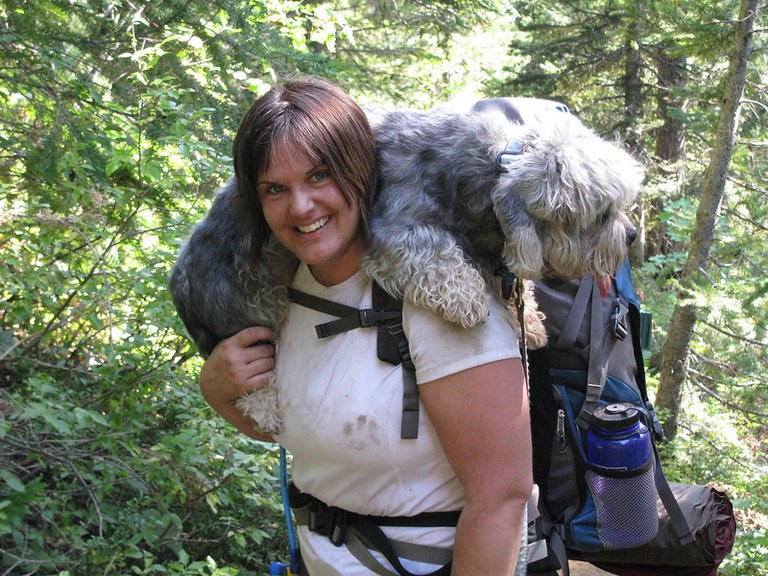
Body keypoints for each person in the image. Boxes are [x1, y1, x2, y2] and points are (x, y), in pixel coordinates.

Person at [198, 76, 533, 576]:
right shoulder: (278, 293)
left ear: (361, 169)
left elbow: (502, 498)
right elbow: (326, 439)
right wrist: (219, 393)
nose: (300, 207)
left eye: (319, 176)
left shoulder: (436, 298)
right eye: (274, 188)